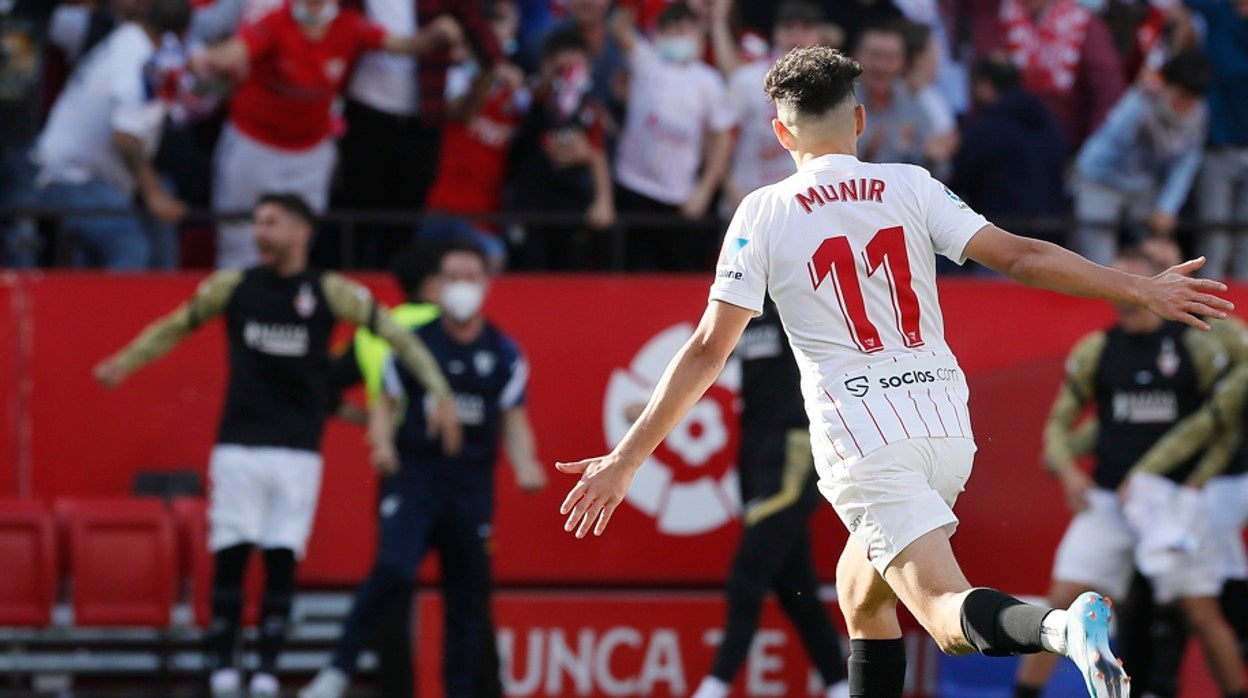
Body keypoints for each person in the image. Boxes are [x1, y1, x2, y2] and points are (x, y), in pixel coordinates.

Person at [554, 45, 1234, 698]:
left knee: (943, 617)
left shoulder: (762, 211)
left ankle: (1063, 629)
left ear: (780, 134)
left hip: (864, 439)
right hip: (943, 426)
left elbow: (709, 348)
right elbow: (1022, 256)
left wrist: (627, 456)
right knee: (862, 596)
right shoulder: (910, 185)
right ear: (859, 119)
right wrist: (1139, 288)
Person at [92, 193, 461, 698]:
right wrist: (126, 361)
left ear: (302, 231)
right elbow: (175, 326)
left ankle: (266, 669)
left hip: (298, 451)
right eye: (256, 222)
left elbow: (401, 338)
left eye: (271, 222)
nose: (259, 232)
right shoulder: (234, 287)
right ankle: (221, 665)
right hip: (238, 444)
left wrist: (439, 391)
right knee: (231, 552)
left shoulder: (331, 292)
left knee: (282, 557)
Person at [303, 241, 547, 698]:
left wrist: (526, 465)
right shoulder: (413, 344)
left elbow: (515, 419)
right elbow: (384, 404)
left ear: (487, 285)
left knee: (467, 600)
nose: (462, 287)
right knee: (393, 569)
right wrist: (382, 444)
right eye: (452, 277)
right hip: (416, 476)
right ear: (437, 286)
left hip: (470, 487)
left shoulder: (504, 352)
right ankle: (338, 669)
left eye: (471, 276)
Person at [1010, 248, 1246, 698]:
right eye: (1118, 280)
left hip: (1171, 500)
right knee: (1062, 601)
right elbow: (1060, 423)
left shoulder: (1195, 343)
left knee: (1201, 612)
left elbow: (1222, 423)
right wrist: (1068, 472)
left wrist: (1200, 480)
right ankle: (1023, 694)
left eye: (1136, 279)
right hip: (1107, 499)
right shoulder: (1098, 349)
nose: (1127, 291)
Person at [194, 0, 464, 268]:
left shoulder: (350, 26)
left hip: (310, 153)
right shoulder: (273, 21)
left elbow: (406, 45)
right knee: (239, 239)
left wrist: (438, 34)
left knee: (300, 242)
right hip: (255, 146)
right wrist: (204, 58)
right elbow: (233, 53)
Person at [690, 297, 849, 698]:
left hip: (794, 444)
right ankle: (840, 685)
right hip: (754, 453)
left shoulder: (803, 297)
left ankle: (715, 685)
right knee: (794, 585)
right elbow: (704, 358)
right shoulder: (742, 306)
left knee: (748, 575)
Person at [16, 0, 190, 270]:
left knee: (157, 197)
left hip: (86, 174)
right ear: (179, 35)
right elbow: (125, 139)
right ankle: (120, 312)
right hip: (65, 177)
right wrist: (154, 195)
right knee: (130, 248)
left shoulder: (130, 37)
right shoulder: (141, 61)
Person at [335, 0, 507, 268]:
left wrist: (490, 70)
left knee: (403, 225)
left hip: (422, 118)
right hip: (363, 112)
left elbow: (482, 38)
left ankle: (397, 296)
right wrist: (423, 41)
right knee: (355, 221)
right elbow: (339, 26)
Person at [611, 2, 735, 271]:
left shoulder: (709, 81)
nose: (679, 36)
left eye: (685, 30)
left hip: (681, 197)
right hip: (634, 188)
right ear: (658, 34)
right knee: (635, 278)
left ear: (700, 34)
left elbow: (721, 140)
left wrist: (703, 191)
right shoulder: (645, 60)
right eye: (671, 30)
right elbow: (620, 27)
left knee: (680, 280)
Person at [1071, 50, 1210, 266]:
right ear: (1166, 85)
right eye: (1181, 96)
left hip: (1144, 185)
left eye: (1192, 99)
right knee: (1097, 259)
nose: (1185, 105)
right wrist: (1140, 108)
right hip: (1101, 178)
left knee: (1158, 255)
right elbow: (1109, 143)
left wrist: (1167, 207)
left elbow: (1185, 164)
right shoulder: (1139, 102)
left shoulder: (1198, 114)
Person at [420, 0, 529, 272]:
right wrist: (488, 74)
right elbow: (462, 112)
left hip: (488, 217)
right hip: (443, 210)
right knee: (492, 258)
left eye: (501, 26)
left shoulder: (519, 94)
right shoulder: (454, 77)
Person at [505, 27, 615, 270]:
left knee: (571, 271)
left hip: (570, 207)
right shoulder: (533, 95)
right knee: (529, 271)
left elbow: (597, 153)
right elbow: (529, 99)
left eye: (575, 60)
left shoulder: (590, 109)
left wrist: (603, 201)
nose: (568, 70)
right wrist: (550, 78)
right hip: (531, 206)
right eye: (561, 61)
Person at [719, 0, 826, 214]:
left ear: (819, 35)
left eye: (805, 28)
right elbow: (717, 136)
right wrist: (729, 186)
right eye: (788, 28)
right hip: (747, 202)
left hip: (806, 209)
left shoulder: (830, 86)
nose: (796, 37)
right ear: (775, 33)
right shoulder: (747, 80)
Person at [949, 56, 1066, 246]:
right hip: (1051, 236)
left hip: (1001, 239)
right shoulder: (1050, 126)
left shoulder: (985, 130)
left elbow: (958, 181)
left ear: (985, 85)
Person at [1185, 0, 1248, 279]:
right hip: (1217, 146)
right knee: (1214, 239)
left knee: (1246, 243)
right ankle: (1208, 313)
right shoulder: (1216, 11)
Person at [854, 22, 932, 167]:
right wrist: (865, 156)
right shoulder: (838, 104)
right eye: (874, 55)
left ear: (902, 61)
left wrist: (930, 158)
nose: (881, 67)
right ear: (857, 56)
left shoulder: (915, 104)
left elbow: (939, 173)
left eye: (890, 58)